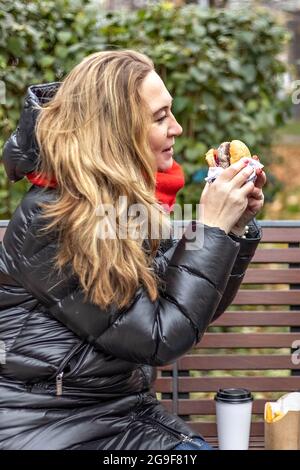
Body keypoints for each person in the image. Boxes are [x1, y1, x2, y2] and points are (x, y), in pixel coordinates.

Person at [0, 50, 265, 450]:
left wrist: (232, 228)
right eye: (160, 117)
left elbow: (186, 306)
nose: (176, 128)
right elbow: (160, 336)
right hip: (51, 426)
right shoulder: (54, 219)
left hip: (121, 414)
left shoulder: (122, 205)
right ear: (115, 129)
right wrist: (210, 228)